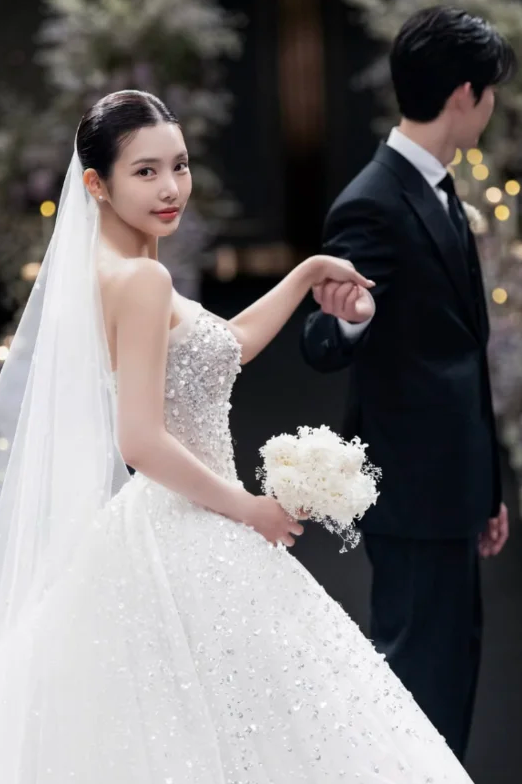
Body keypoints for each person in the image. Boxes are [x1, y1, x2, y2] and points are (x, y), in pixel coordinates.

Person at [0, 89, 474, 783]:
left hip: (166, 523)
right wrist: (248, 508)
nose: (171, 188)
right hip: (193, 524)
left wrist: (305, 274)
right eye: (145, 171)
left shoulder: (115, 270)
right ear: (96, 184)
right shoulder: (142, 279)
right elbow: (140, 441)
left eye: (179, 165)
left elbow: (223, 345)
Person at [301, 6, 516, 762]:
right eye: (490, 90)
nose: (493, 104)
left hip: (452, 490)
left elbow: (461, 356)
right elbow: (320, 341)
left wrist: (485, 490)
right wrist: (350, 319)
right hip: (411, 494)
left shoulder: (438, 188)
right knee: (414, 687)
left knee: (450, 677)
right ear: (464, 95)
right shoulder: (372, 200)